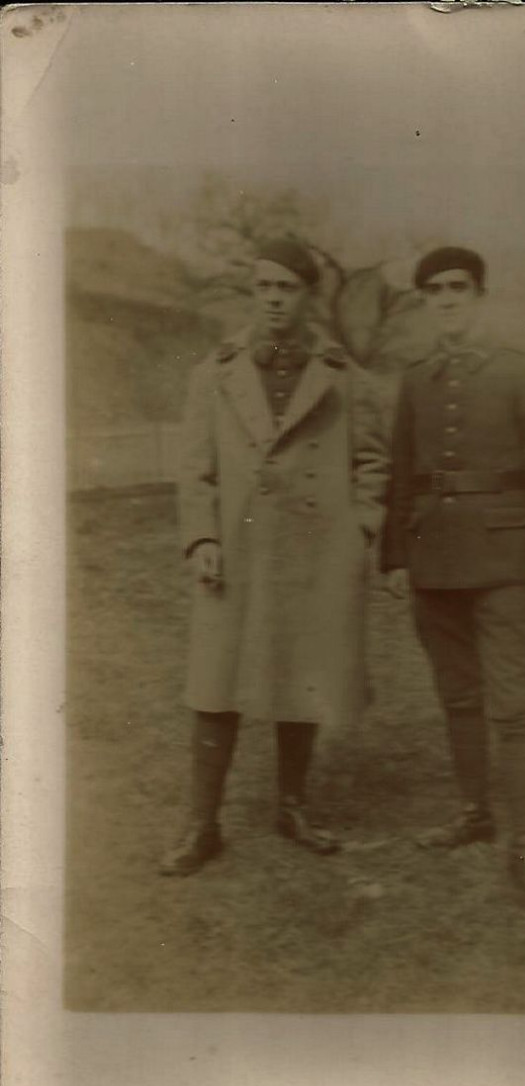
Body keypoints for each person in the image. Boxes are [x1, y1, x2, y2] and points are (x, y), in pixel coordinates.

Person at [160, 238, 389, 876]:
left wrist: (359, 533)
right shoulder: (215, 373)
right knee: (216, 680)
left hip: (314, 553)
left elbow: (372, 463)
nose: (273, 300)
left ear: (307, 296)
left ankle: (292, 807)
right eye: (263, 287)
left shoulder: (345, 379)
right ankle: (201, 825)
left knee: (302, 677)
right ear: (252, 292)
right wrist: (202, 538)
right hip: (235, 550)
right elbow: (195, 472)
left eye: (286, 289)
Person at [381, 246, 525, 904]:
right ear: (425, 301)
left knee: (513, 704)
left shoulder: (523, 372)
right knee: (458, 696)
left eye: (458, 286)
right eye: (433, 289)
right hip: (433, 560)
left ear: (480, 294)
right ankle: (473, 812)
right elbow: (402, 470)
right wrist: (395, 556)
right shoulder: (414, 379)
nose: (446, 298)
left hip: (504, 560)